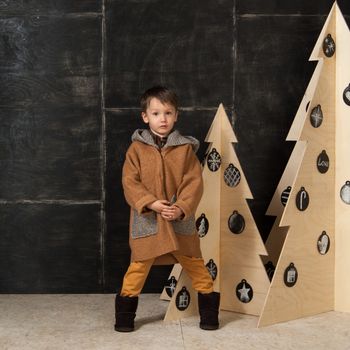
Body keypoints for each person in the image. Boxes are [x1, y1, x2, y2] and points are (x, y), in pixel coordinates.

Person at [115, 86, 220, 332]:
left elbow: (194, 183)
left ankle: (209, 317)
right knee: (137, 269)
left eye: (168, 113)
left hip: (177, 220)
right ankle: (124, 319)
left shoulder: (185, 150)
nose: (162, 119)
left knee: (196, 266)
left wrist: (181, 208)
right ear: (145, 116)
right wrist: (150, 203)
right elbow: (130, 182)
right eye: (156, 113)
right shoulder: (136, 150)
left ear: (176, 116)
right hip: (149, 221)